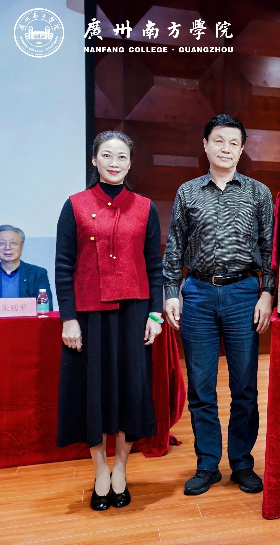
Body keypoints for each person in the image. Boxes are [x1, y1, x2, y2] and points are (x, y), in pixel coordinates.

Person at [163, 114, 275, 496]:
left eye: (233, 143)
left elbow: (269, 249)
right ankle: (207, 464)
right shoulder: (188, 192)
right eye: (219, 141)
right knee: (201, 387)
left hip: (244, 293)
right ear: (206, 145)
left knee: (245, 387)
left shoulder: (258, 193)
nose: (225, 149)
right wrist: (171, 291)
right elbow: (175, 246)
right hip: (197, 293)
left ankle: (242, 463)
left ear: (241, 150)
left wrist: (267, 293)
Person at [55, 131, 163, 511]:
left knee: (131, 390)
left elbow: (155, 266)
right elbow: (63, 266)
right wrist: (68, 318)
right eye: (107, 155)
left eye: (121, 157)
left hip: (134, 314)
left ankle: (121, 468)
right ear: (94, 160)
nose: (114, 163)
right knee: (94, 392)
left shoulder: (145, 207)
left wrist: (155, 314)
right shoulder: (75, 205)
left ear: (130, 163)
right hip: (89, 315)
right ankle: (100, 469)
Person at [0, 224, 53, 308]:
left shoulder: (38, 274)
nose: (7, 247)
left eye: (13, 243)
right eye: (2, 243)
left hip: (29, 317)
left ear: (22, 246)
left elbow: (46, 308)